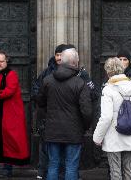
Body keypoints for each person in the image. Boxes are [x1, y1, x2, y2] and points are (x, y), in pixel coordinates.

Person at [36, 48, 92, 180]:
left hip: (52, 130)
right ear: (75, 63)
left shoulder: (48, 80)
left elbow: (40, 102)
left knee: (53, 165)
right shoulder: (80, 83)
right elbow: (87, 110)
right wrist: (84, 127)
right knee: (71, 166)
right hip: (73, 131)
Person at [93, 57, 131, 180]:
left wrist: (97, 137)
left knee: (115, 173)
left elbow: (106, 117)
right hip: (130, 133)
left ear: (108, 71)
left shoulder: (108, 89)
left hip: (113, 135)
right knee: (129, 171)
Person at [0, 50, 30, 177]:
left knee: (8, 141)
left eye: (1, 61)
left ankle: (7, 169)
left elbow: (9, 91)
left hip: (9, 115)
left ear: (6, 61)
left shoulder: (12, 75)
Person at [31, 43, 75, 179]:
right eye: (57, 54)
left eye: (62, 55)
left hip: (67, 118)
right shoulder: (46, 72)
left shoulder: (77, 72)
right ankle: (42, 171)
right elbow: (36, 91)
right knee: (46, 147)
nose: (59, 57)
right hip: (47, 116)